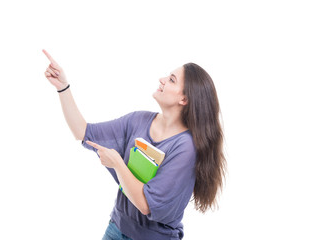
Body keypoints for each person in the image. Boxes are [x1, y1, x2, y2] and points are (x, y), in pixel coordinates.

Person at [42, 49, 226, 240]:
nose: (162, 79)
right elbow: (83, 132)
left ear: (184, 99)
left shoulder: (186, 147)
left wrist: (118, 164)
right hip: (116, 228)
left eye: (171, 79)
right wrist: (63, 87)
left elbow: (147, 204)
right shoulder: (138, 120)